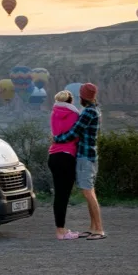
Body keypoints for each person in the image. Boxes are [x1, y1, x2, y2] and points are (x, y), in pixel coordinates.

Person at [53, 82, 105, 240]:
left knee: (88, 192)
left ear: (83, 97)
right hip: (89, 156)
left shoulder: (88, 112)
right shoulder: (94, 110)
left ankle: (99, 230)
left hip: (85, 156)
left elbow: (74, 133)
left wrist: (56, 139)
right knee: (90, 191)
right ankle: (92, 227)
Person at [48, 90, 80, 240]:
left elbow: (55, 135)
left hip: (53, 155)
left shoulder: (54, 113)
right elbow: (76, 135)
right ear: (71, 101)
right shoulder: (74, 114)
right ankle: (61, 231)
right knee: (63, 196)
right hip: (66, 156)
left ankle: (60, 228)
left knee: (59, 195)